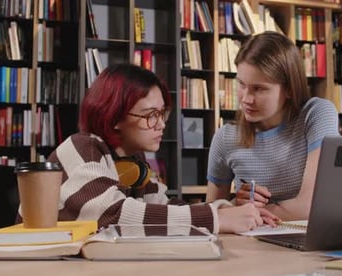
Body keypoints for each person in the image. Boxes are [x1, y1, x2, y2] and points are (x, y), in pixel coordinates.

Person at [16, 63, 278, 234]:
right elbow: (112, 215)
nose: (161, 124)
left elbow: (165, 207)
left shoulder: (133, 161)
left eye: (162, 113)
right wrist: (216, 219)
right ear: (114, 116)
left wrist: (228, 208)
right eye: (150, 115)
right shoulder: (82, 146)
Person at [206, 31, 340, 221]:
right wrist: (236, 204)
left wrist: (247, 214)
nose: (246, 99)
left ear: (290, 89)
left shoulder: (316, 114)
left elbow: (311, 206)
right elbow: (212, 216)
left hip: (305, 243)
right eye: (241, 84)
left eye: (259, 89)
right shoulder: (225, 138)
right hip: (250, 245)